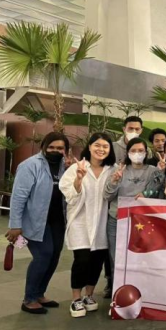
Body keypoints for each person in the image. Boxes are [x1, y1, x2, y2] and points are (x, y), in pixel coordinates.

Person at [6, 132, 70, 314]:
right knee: (43, 255)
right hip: (35, 221)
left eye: (60, 148)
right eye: (51, 147)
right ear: (44, 147)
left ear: (66, 150)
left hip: (58, 221)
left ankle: (39, 293)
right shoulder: (30, 165)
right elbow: (18, 197)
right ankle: (29, 299)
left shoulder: (66, 166)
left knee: (54, 256)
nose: (55, 151)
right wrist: (15, 225)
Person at [59, 133, 116, 318]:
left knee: (97, 261)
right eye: (97, 145)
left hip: (102, 222)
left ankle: (88, 295)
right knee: (82, 260)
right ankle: (76, 298)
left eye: (105, 146)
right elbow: (69, 194)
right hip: (80, 221)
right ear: (89, 147)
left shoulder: (113, 169)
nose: (101, 149)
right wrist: (79, 179)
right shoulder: (77, 167)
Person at [104, 137, 165, 286]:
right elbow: (107, 196)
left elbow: (160, 193)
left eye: (141, 150)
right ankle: (118, 292)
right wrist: (114, 181)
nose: (137, 153)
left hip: (142, 223)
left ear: (146, 152)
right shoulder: (119, 170)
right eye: (133, 150)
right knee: (117, 259)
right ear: (127, 152)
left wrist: (160, 173)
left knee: (141, 259)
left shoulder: (153, 171)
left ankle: (139, 290)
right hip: (117, 221)